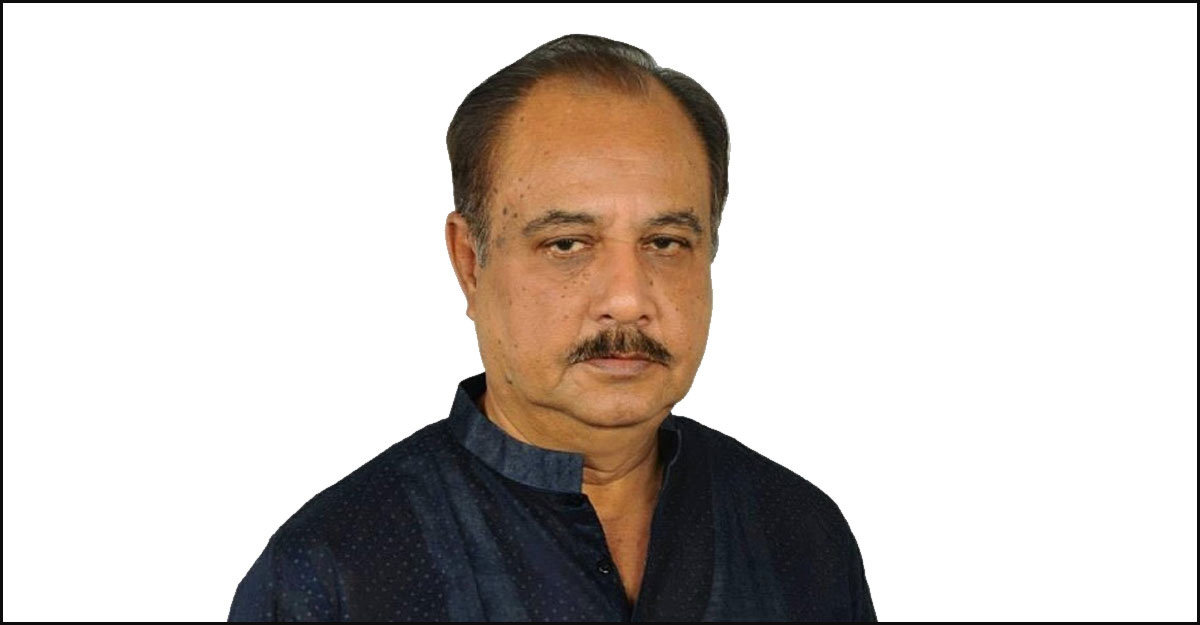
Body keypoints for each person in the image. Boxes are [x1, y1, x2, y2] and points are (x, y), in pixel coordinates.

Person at [228, 33, 876, 622]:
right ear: (470, 262)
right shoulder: (331, 576)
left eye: (666, 242)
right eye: (568, 243)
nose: (627, 299)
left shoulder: (799, 534)